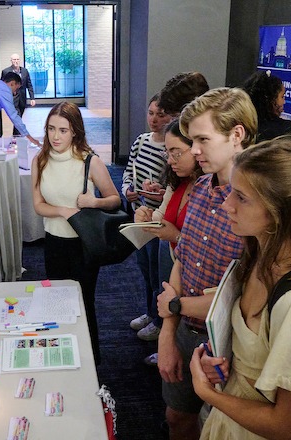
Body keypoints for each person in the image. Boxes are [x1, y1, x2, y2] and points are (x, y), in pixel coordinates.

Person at [189, 138, 291, 439]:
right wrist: (221, 364)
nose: (227, 205)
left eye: (241, 198)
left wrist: (208, 392)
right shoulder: (258, 257)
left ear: (286, 212)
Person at [155, 88, 258, 440]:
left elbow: (248, 296)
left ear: (237, 135)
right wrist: (168, 334)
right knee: (177, 417)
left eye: (202, 139)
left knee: (227, 429)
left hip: (235, 347)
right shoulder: (198, 188)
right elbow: (181, 262)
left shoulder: (261, 205)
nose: (194, 150)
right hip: (188, 331)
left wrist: (172, 306)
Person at [31, 102, 120, 364]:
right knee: (57, 302)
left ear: (75, 133)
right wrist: (64, 211)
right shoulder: (40, 160)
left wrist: (94, 202)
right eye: (51, 129)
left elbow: (115, 199)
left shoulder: (90, 162)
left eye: (63, 130)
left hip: (84, 245)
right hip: (54, 243)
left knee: (83, 303)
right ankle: (62, 357)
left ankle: (90, 361)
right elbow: (38, 206)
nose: (55, 137)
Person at [134, 119, 203, 365]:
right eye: (168, 153)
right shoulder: (178, 182)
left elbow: (205, 249)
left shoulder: (207, 189)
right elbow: (161, 217)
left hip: (195, 277)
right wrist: (146, 217)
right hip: (175, 263)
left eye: (176, 153)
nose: (170, 160)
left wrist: (175, 236)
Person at [122, 94, 172, 341]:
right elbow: (128, 173)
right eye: (151, 113)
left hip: (159, 220)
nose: (154, 119)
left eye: (161, 114)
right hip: (140, 215)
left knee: (157, 272)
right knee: (144, 267)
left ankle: (159, 319)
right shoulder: (141, 141)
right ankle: (150, 312)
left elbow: (175, 188)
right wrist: (128, 191)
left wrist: (161, 193)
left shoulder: (172, 149)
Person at [1, 53, 36, 135]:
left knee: (19, 117)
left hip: (22, 99)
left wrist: (32, 98)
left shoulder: (24, 71)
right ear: (11, 61)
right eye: (14, 59)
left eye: (17, 59)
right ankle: (17, 136)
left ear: (19, 60)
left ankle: (15, 135)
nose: (16, 61)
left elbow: (29, 84)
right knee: (17, 117)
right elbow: (2, 86)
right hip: (12, 99)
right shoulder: (6, 72)